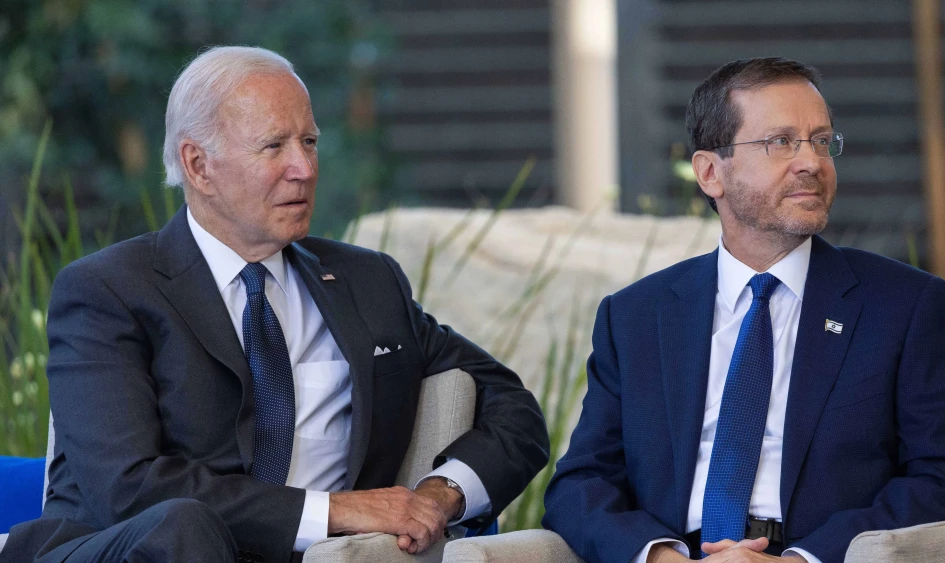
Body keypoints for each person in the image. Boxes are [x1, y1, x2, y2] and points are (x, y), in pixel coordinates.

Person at [1, 46, 548, 563]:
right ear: (198, 166)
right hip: (139, 550)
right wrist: (336, 511)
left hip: (318, 560)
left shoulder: (365, 282)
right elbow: (126, 488)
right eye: (274, 146)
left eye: (309, 142)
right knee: (182, 528)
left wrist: (442, 491)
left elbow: (511, 406)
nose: (304, 169)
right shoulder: (108, 290)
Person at [542, 57, 945, 563]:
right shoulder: (636, 316)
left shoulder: (902, 305)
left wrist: (804, 559)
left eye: (822, 141)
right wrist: (658, 557)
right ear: (711, 172)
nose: (813, 162)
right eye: (781, 142)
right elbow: (581, 484)